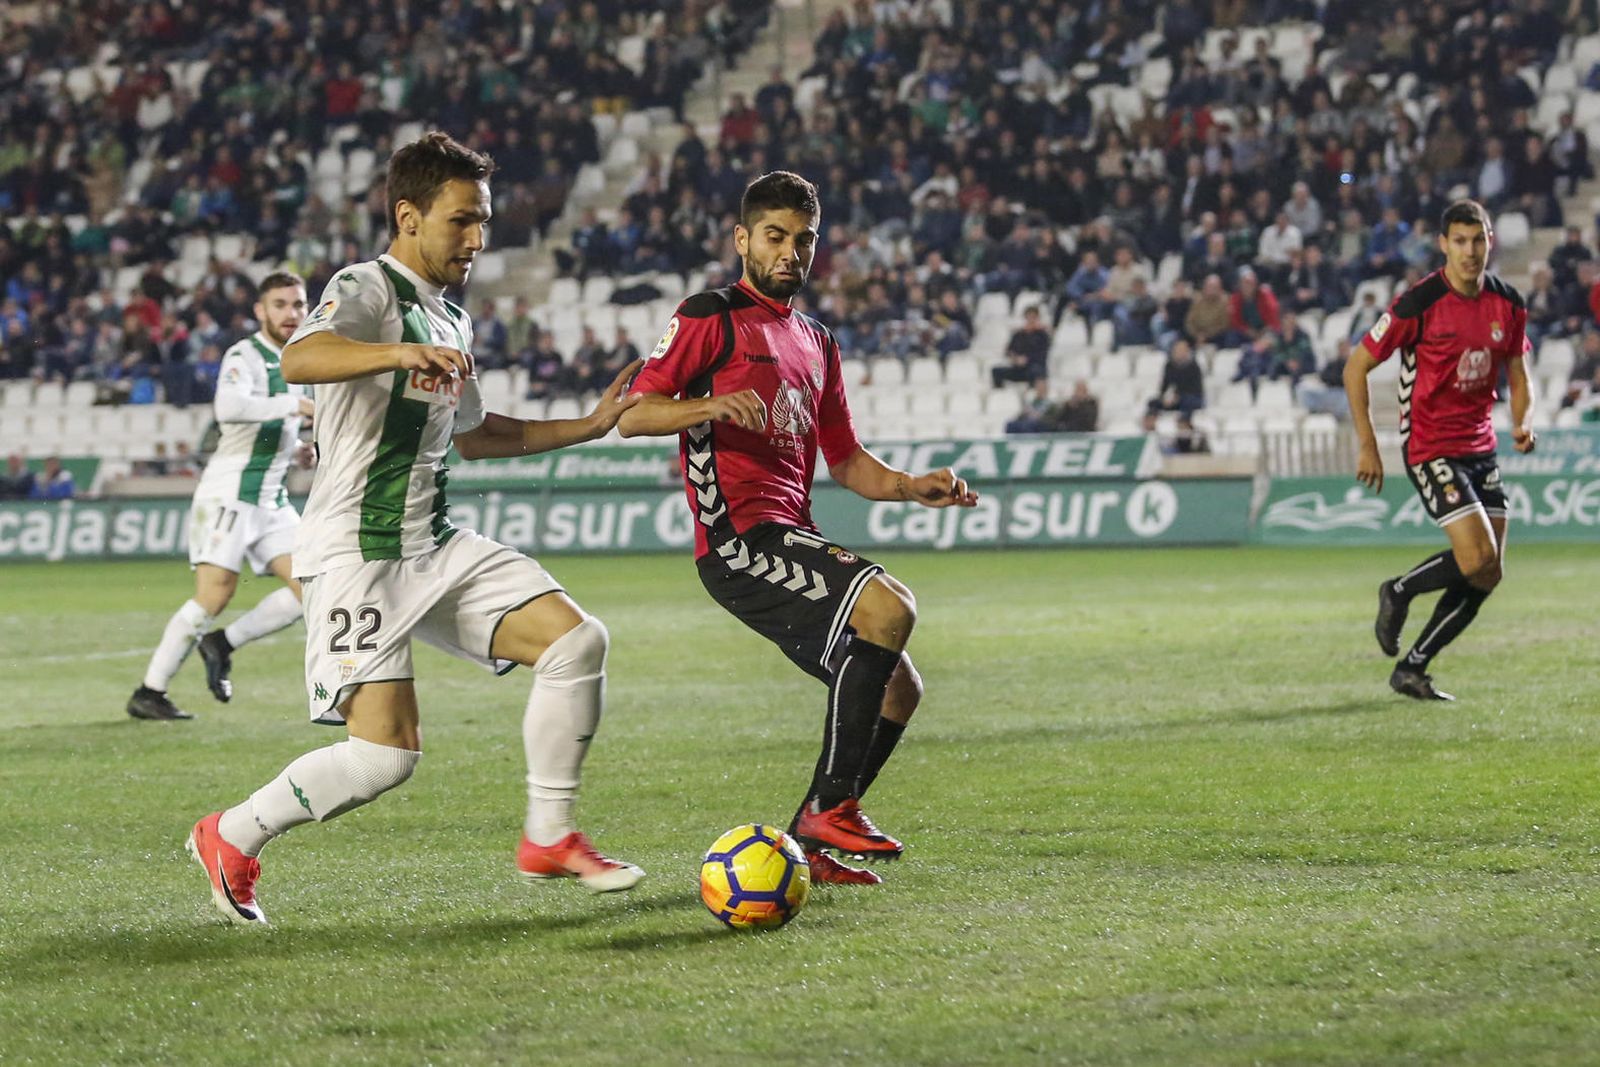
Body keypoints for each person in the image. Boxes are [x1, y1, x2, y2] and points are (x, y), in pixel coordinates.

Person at [185, 132, 645, 925]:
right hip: (356, 552)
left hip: (434, 542)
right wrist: (397, 352)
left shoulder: (450, 318)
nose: (477, 239)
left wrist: (590, 423)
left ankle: (549, 833)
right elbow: (301, 357)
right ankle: (230, 834)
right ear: (408, 215)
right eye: (462, 220)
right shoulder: (364, 285)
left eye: (483, 222)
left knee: (578, 641)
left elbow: (476, 433)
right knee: (383, 758)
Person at [618, 171, 978, 886]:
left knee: (899, 690)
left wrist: (911, 487)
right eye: (775, 237)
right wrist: (709, 407)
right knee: (890, 605)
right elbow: (634, 412)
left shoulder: (816, 340)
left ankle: (812, 837)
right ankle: (831, 807)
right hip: (738, 540)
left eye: (803, 240)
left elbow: (844, 460)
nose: (790, 252)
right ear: (742, 239)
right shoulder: (708, 316)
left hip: (788, 531)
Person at [1345, 200, 1535, 702]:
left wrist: (1524, 420)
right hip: (1430, 446)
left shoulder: (1509, 304)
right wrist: (1369, 444)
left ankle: (1413, 668)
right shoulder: (1419, 302)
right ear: (1444, 245)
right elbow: (1356, 367)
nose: (1470, 252)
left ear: (1490, 240)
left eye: (1478, 240)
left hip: (1481, 447)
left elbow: (1517, 369)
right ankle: (1399, 591)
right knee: (1477, 558)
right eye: (1460, 241)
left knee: (1489, 571)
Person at [126, 273, 316, 722]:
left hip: (271, 500)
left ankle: (223, 643)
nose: (291, 313)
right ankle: (149, 691)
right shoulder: (244, 355)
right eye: (280, 304)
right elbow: (229, 409)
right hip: (228, 494)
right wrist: (295, 407)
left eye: (298, 304)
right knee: (215, 594)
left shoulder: (300, 362)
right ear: (260, 311)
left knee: (315, 589)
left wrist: (300, 450)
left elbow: (274, 430)